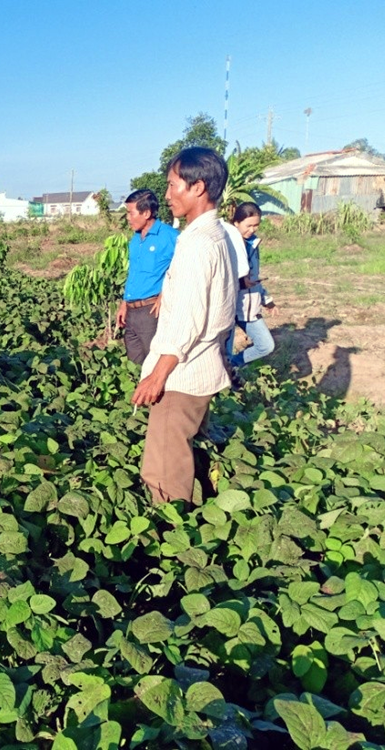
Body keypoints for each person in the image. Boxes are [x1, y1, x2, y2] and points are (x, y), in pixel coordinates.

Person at [131, 147, 237, 504]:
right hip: (202, 368)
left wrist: (157, 376)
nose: (166, 194)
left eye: (172, 184)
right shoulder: (217, 235)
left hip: (182, 376)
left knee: (162, 473)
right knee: (186, 455)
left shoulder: (197, 245)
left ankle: (173, 547)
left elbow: (187, 322)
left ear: (198, 187)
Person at [115, 189, 180, 365]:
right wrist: (124, 303)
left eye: (130, 213)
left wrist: (165, 295)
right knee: (134, 365)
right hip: (131, 312)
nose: (128, 218)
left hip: (151, 312)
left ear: (146, 213)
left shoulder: (171, 237)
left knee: (154, 364)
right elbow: (133, 273)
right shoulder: (135, 239)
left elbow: (184, 270)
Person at [226, 202, 276, 370]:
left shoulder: (253, 244)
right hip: (229, 307)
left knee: (266, 345)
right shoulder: (226, 244)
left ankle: (234, 364)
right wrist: (240, 282)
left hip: (250, 307)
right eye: (249, 225)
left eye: (256, 225)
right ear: (236, 223)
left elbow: (255, 276)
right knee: (224, 351)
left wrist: (266, 299)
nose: (253, 229)